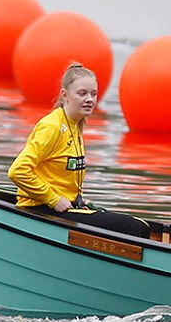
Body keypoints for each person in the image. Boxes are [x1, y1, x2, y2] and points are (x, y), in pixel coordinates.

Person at [8, 63, 151, 238]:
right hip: (42, 208)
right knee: (132, 227)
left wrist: (78, 199)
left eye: (93, 94)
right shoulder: (52, 127)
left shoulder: (75, 125)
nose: (90, 99)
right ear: (65, 95)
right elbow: (17, 171)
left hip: (66, 206)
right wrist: (53, 199)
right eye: (82, 93)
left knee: (142, 226)